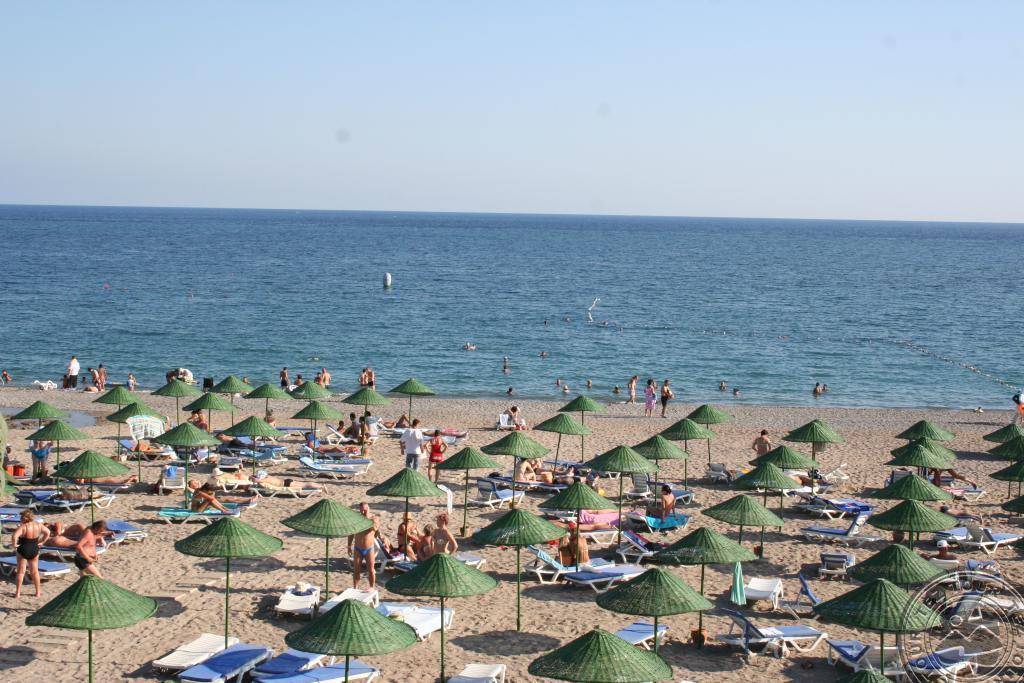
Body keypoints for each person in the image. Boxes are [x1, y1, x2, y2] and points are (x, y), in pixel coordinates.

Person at [12, 510, 50, 598]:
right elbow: (48, 532)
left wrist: (14, 545)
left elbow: (14, 536)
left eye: (21, 518)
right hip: (34, 548)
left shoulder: (23, 527)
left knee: (20, 572)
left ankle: (17, 593)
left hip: (23, 548)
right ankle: (38, 592)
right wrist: (42, 542)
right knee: (35, 572)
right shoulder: (38, 525)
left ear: (24, 518)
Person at [348, 502, 378, 588]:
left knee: (371, 570)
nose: (363, 512)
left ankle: (372, 587)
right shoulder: (357, 519)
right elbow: (351, 533)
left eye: (365, 510)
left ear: (368, 509)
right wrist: (349, 546)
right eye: (361, 510)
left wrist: (366, 517)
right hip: (358, 548)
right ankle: (355, 587)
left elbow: (375, 528)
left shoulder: (374, 518)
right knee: (356, 570)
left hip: (369, 548)